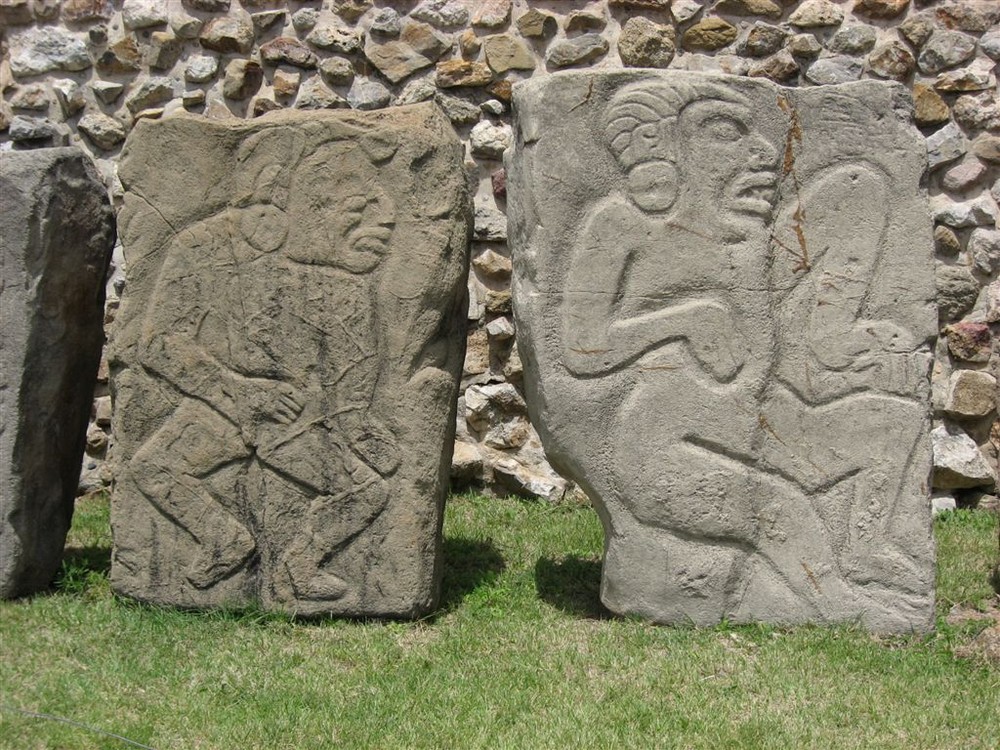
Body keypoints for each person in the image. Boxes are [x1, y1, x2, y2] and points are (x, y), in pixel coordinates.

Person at [127, 126, 401, 608]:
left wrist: (362, 432)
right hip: (225, 409)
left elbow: (351, 384)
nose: (380, 221)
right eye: (354, 207)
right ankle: (222, 538)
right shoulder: (205, 247)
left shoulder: (342, 286)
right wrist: (236, 391)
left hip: (295, 422)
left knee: (368, 490)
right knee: (152, 467)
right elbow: (160, 344)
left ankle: (301, 562)